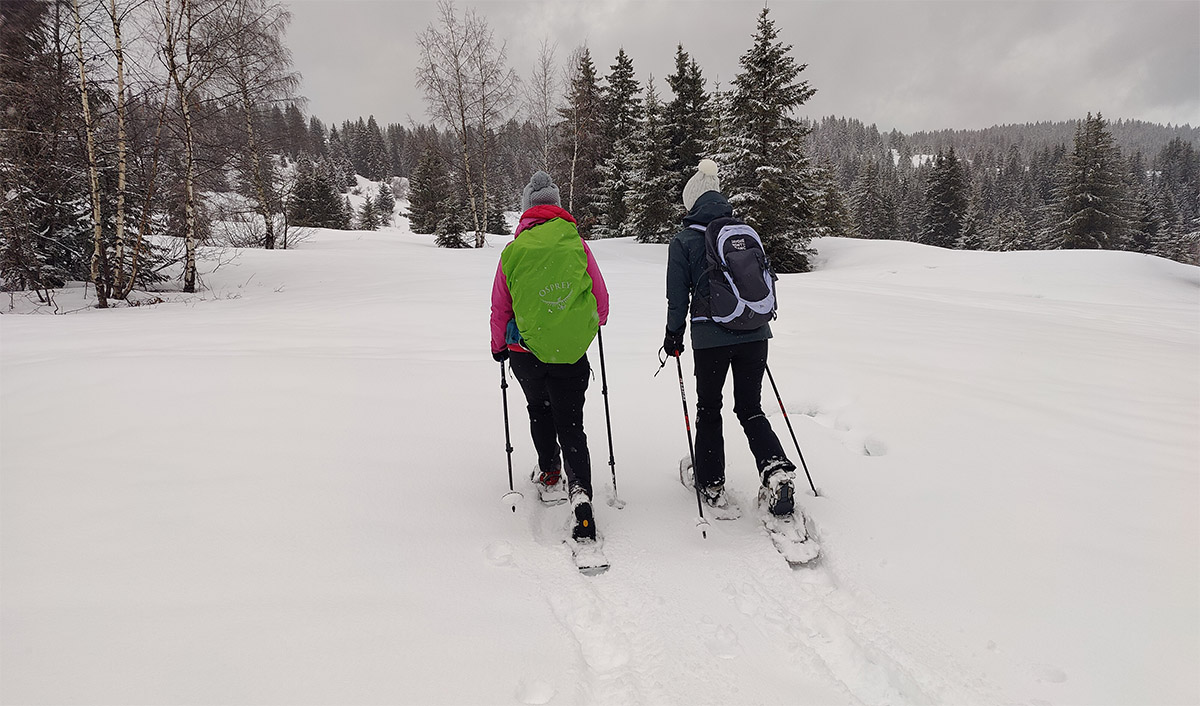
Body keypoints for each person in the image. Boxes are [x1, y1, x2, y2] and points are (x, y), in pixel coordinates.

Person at [663, 158, 797, 518]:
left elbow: (678, 299)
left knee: (709, 408)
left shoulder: (684, 241)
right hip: (755, 334)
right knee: (750, 408)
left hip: (710, 340)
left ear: (692, 202)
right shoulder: (742, 232)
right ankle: (777, 470)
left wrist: (672, 336)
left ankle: (711, 481)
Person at [490, 171, 609, 542]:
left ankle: (550, 473)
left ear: (527, 210)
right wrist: (587, 326)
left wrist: (498, 347)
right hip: (571, 353)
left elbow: (501, 308)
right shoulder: (576, 243)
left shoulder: (514, 252)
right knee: (571, 423)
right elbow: (601, 301)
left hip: (525, 353)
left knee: (539, 411)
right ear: (557, 207)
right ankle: (582, 493)